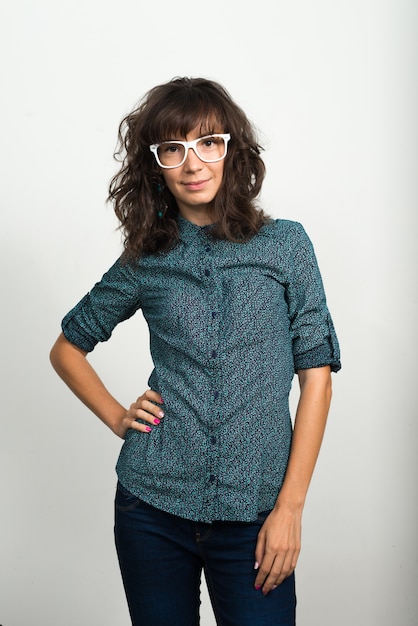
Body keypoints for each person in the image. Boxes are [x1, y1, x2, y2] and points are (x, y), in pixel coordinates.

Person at [50, 76, 341, 626]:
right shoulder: (146, 259)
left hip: (258, 512)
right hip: (151, 508)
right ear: (154, 164)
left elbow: (318, 380)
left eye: (208, 142)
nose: (193, 163)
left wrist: (290, 509)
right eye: (172, 149)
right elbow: (67, 347)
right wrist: (117, 416)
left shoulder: (286, 245)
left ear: (232, 148)